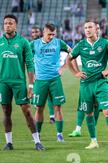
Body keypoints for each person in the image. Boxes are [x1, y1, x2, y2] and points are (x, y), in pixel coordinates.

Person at [66, 20, 108, 150]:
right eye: (85, 28)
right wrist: (75, 73)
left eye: (90, 27)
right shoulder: (81, 45)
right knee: (88, 114)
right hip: (86, 84)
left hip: (100, 83)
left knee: (107, 111)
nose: (87, 30)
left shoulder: (105, 43)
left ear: (96, 29)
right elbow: (68, 59)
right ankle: (93, 141)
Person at [0, 15, 44, 151]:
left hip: (19, 82)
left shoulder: (23, 42)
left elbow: (30, 65)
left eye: (10, 23)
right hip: (3, 83)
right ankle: (9, 143)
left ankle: (37, 141)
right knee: (6, 111)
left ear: (16, 25)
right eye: (5, 23)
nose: (7, 25)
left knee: (27, 111)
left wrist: (31, 85)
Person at [30, 23, 70, 142]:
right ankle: (38, 135)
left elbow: (72, 53)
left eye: (53, 34)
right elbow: (25, 56)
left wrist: (63, 67)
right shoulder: (34, 44)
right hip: (40, 80)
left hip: (55, 79)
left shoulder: (59, 43)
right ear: (43, 32)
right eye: (49, 34)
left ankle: (59, 134)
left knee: (57, 107)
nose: (51, 37)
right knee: (39, 108)